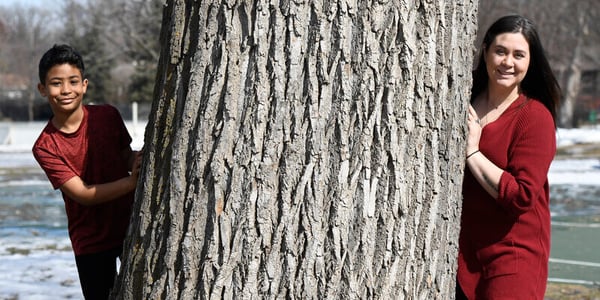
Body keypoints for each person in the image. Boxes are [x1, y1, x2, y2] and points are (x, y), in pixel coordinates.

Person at [457, 15, 561, 299]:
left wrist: (473, 152)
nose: (507, 62)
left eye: (519, 55)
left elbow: (522, 196)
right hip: (458, 254)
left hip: (512, 258)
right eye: (500, 51)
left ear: (530, 62)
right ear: (486, 51)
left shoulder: (534, 117)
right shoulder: (460, 99)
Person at [32, 44, 142, 300]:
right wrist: (131, 183)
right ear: (42, 89)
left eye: (73, 81)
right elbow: (82, 193)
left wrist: (149, 158)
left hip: (132, 226)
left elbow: (126, 156)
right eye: (57, 83)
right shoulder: (45, 146)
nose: (66, 90)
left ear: (84, 85)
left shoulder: (107, 116)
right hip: (91, 242)